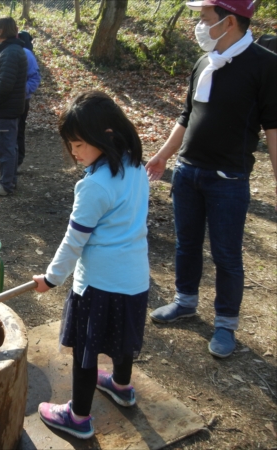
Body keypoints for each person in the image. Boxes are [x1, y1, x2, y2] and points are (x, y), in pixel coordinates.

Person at [146, 0, 277, 358]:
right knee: (186, 244)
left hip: (228, 179)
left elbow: (273, 128)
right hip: (188, 173)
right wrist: (163, 155)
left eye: (204, 18)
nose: (198, 25)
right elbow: (187, 115)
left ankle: (225, 324)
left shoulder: (265, 65)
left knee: (227, 255)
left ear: (229, 21)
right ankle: (185, 301)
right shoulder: (204, 62)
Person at [33, 92, 149, 440]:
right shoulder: (135, 166)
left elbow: (73, 242)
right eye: (71, 144)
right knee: (123, 341)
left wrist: (51, 279)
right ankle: (121, 385)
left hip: (99, 285)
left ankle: (78, 417)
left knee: (85, 351)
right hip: (135, 279)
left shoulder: (94, 186)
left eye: (80, 144)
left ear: (107, 136)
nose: (74, 152)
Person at [0, 30, 40, 173]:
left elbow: (34, 78)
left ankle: (17, 163)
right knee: (0, 132)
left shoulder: (26, 54)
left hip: (19, 101)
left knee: (17, 131)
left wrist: (21, 91)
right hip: (0, 99)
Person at [0, 17, 27, 196]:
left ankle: (6, 185)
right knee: (11, 147)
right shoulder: (11, 50)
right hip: (9, 109)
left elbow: (5, 85)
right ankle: (9, 180)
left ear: (1, 30)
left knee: (6, 148)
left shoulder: (10, 52)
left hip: (5, 110)